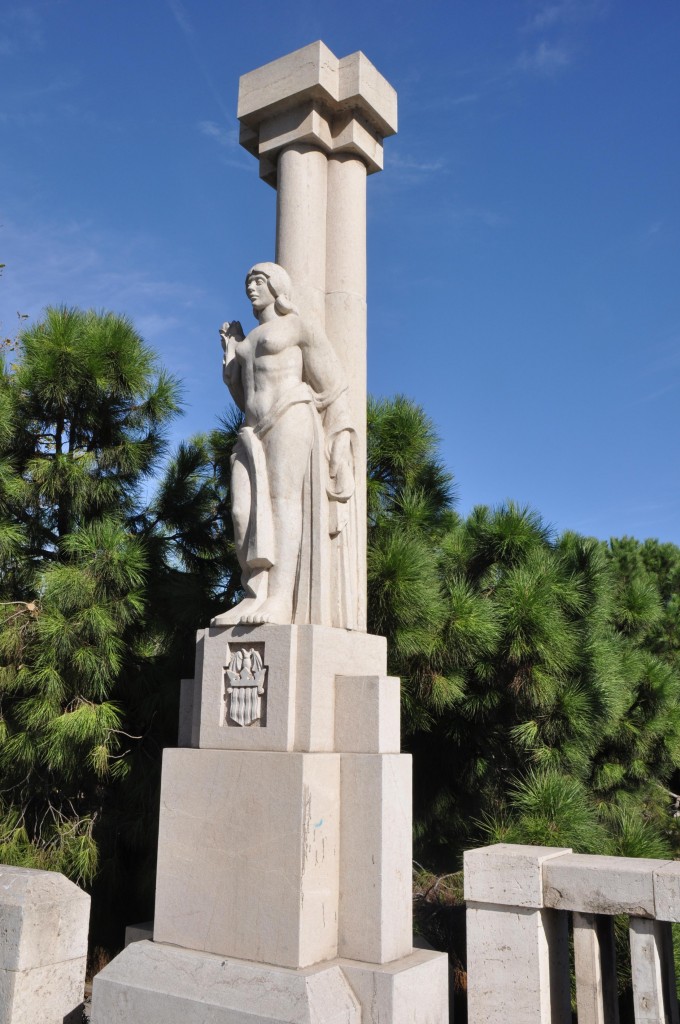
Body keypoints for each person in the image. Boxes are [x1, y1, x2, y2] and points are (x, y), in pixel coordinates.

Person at [212, 262, 357, 627]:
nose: (252, 288)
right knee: (243, 512)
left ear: (277, 286)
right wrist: (230, 361)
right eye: (248, 282)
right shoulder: (246, 341)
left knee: (283, 503)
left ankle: (279, 598)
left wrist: (340, 442)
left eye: (258, 281)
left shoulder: (298, 327)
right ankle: (254, 593)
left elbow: (333, 384)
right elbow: (244, 397)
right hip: (252, 428)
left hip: (289, 415)